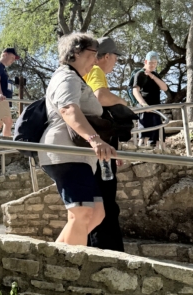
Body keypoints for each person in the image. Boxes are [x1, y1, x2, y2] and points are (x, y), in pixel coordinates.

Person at [39, 33, 117, 246]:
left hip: (79, 156)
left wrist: (103, 146)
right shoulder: (67, 77)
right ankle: (67, 270)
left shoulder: (76, 79)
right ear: (75, 53)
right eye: (93, 53)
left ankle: (52, 258)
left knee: (95, 214)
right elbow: (68, 109)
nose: (96, 59)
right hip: (66, 153)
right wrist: (95, 140)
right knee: (81, 213)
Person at [83, 36, 126, 252]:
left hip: (90, 149)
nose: (115, 62)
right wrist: (123, 103)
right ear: (106, 56)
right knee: (106, 202)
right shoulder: (96, 71)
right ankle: (108, 253)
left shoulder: (83, 73)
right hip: (99, 151)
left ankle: (93, 249)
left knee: (93, 203)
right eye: (116, 58)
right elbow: (100, 96)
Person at [133, 51, 168, 150]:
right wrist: (144, 105)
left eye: (155, 63)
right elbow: (135, 91)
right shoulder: (139, 74)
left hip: (156, 106)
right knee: (145, 129)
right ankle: (141, 148)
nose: (152, 65)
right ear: (145, 61)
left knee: (159, 129)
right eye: (151, 63)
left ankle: (161, 149)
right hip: (145, 107)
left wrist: (152, 76)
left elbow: (164, 88)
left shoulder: (155, 75)